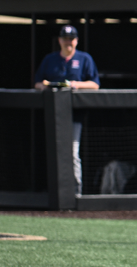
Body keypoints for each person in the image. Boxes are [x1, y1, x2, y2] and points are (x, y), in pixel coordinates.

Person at [34, 25, 100, 194]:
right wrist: (47, 86)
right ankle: (55, 191)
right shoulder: (50, 60)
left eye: (71, 39)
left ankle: (75, 192)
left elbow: (95, 85)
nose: (68, 42)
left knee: (72, 153)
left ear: (76, 41)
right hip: (53, 114)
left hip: (75, 115)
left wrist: (76, 85)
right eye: (65, 39)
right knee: (53, 153)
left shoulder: (84, 59)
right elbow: (38, 83)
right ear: (60, 40)